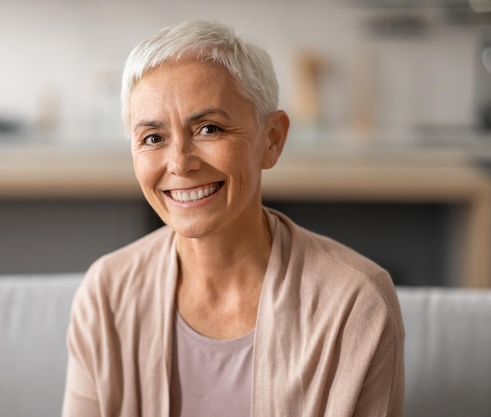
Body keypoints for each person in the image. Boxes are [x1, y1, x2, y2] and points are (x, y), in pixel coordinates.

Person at [61, 20, 404, 417]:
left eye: (209, 128)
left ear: (272, 139)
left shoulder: (356, 304)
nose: (179, 163)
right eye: (153, 138)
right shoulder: (105, 295)